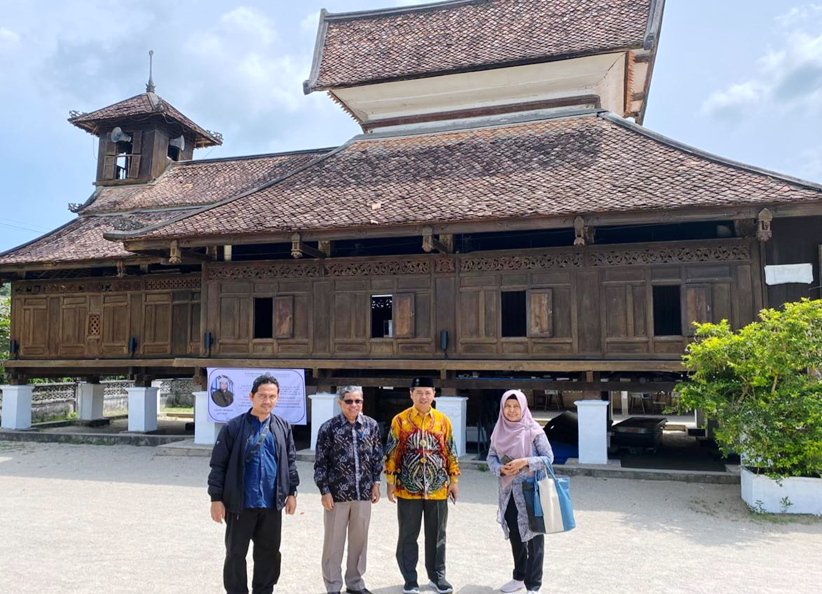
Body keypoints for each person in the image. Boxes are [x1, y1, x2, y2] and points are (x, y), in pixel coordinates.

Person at [208, 374, 300, 594]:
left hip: (271, 503)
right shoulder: (233, 427)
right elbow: (218, 465)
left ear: (277, 398)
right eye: (262, 396)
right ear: (251, 396)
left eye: (272, 396)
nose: (266, 401)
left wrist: (291, 492)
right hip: (241, 503)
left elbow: (290, 462)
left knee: (269, 553)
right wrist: (216, 499)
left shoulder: (282, 427)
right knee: (236, 554)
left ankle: (264, 590)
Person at [385, 377, 460, 594]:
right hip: (408, 488)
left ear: (434, 394)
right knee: (408, 534)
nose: (423, 397)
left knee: (437, 535)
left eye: (427, 392)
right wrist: (391, 482)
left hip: (437, 487)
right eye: (419, 392)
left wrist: (453, 480)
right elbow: (392, 453)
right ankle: (410, 578)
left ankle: (438, 576)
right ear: (411, 394)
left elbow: (450, 452)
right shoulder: (400, 421)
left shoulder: (443, 421)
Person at [314, 386, 384, 594]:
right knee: (333, 543)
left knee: (359, 541)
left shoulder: (370, 426)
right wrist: (324, 490)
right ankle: (333, 585)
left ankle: (355, 583)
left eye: (358, 401)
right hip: (337, 495)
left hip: (363, 493)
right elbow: (320, 463)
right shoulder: (329, 428)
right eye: (349, 401)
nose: (354, 405)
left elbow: (376, 457)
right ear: (340, 403)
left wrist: (376, 483)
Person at [487, 390, 554, 594]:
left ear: (523, 407)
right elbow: (490, 457)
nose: (512, 410)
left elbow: (548, 458)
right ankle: (519, 577)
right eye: (508, 406)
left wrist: (525, 461)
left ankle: (534, 585)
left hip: (531, 491)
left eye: (516, 406)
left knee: (534, 537)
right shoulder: (499, 430)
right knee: (516, 534)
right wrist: (500, 468)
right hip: (508, 492)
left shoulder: (534, 430)